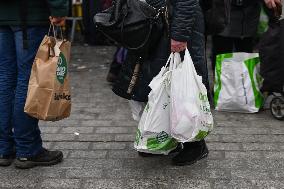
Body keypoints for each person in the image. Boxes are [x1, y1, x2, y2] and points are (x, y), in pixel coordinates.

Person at [113, 0, 210, 165]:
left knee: (182, 86)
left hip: (174, 25)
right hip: (159, 23)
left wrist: (179, 34)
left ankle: (194, 145)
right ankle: (169, 139)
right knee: (160, 85)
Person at [0, 0, 69, 169]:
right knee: (27, 79)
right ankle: (27, 149)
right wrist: (58, 8)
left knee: (5, 79)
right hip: (29, 15)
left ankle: (4, 149)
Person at [211, 0, 261, 71]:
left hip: (249, 13)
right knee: (222, 53)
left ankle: (244, 80)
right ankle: (220, 79)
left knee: (245, 54)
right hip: (223, 11)